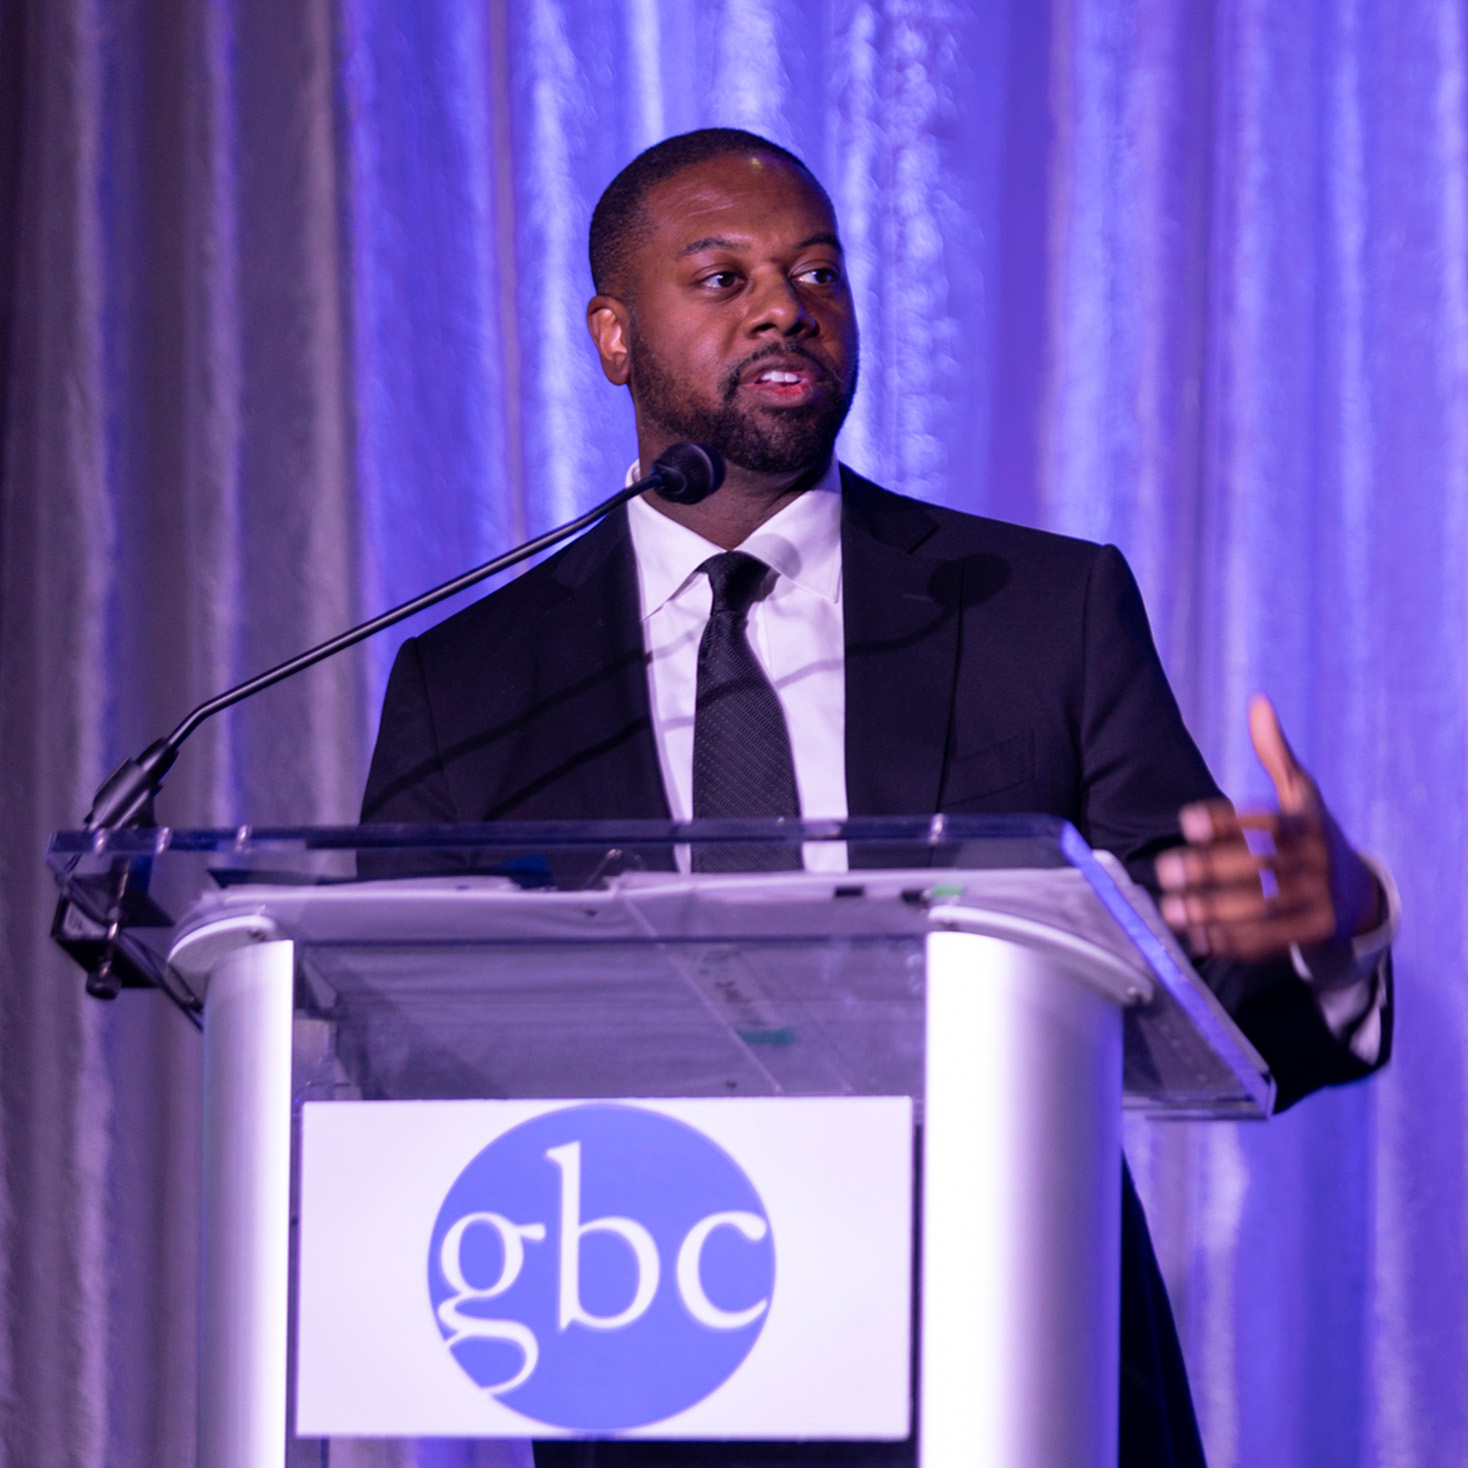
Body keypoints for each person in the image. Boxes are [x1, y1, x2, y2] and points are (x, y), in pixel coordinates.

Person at [362, 128, 1395, 1468]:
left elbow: (1215, 991)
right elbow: (388, 1037)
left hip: (1017, 1369)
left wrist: (1330, 929)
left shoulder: (1039, 609)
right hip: (648, 1365)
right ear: (614, 337)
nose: (788, 305)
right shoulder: (481, 676)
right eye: (722, 277)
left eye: (817, 273)